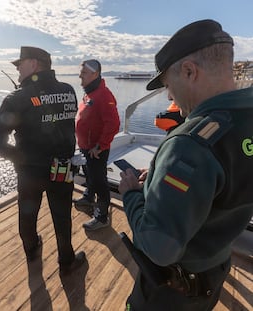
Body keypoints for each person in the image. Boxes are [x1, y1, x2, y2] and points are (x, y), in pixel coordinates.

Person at [118, 19, 253, 310]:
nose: (169, 96)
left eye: (168, 85)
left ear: (190, 71)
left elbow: (159, 247)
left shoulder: (190, 145)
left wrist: (131, 195)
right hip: (214, 270)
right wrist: (159, 178)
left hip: (173, 289)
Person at [0, 46, 85, 275]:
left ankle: (31, 250)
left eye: (20, 64)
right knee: (62, 216)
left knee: (27, 214)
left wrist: (20, 157)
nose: (18, 70)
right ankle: (66, 261)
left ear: (34, 65)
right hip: (63, 168)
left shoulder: (18, 98)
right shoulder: (68, 90)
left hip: (30, 173)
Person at [74, 59, 120, 230]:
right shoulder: (88, 93)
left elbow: (113, 124)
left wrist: (100, 146)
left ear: (95, 74)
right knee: (88, 174)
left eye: (84, 73)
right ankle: (88, 197)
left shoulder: (104, 95)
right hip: (86, 147)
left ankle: (101, 217)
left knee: (99, 181)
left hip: (96, 150)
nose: (80, 75)